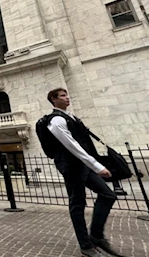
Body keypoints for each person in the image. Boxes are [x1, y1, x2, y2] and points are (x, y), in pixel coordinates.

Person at [45, 88, 120, 257]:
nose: (67, 97)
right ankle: (85, 245)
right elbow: (72, 146)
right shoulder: (56, 120)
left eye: (67, 95)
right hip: (71, 166)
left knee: (108, 195)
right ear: (53, 99)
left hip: (83, 165)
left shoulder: (71, 117)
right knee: (77, 204)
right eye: (63, 96)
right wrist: (96, 166)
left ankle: (96, 235)